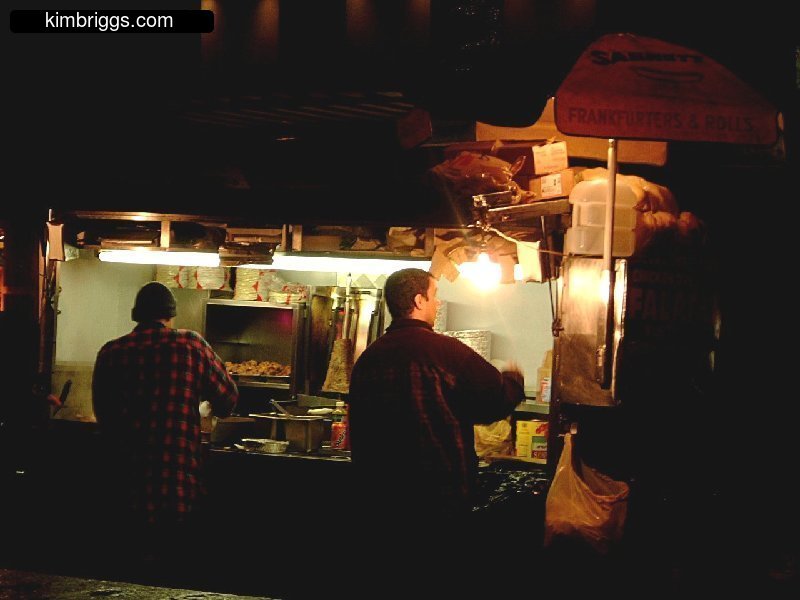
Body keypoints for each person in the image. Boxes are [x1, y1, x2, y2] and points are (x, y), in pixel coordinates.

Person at [346, 268, 524, 588]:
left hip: (378, 501)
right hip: (439, 499)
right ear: (419, 300)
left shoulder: (368, 360)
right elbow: (494, 403)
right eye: (435, 295)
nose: (438, 302)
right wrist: (513, 379)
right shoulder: (446, 352)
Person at [92, 281, 238, 577]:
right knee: (173, 574)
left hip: (124, 487)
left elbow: (103, 415)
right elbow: (228, 401)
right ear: (170, 316)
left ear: (136, 315)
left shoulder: (111, 352)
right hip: (176, 487)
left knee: (125, 575)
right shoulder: (191, 345)